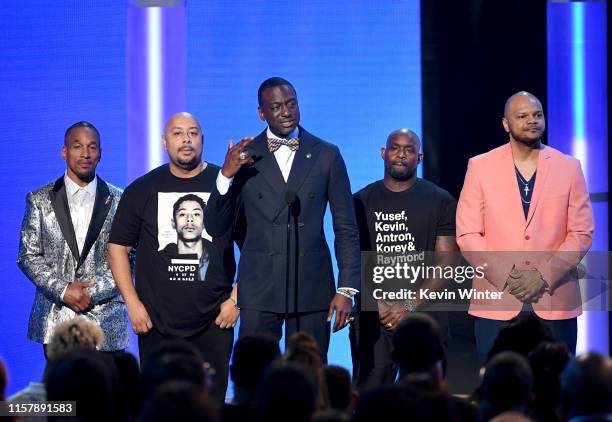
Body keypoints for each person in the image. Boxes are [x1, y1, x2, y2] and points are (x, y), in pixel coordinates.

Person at [205, 77, 360, 357]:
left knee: (309, 377)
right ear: (261, 113)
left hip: (311, 286)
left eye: (291, 104)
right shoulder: (245, 157)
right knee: (256, 376)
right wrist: (225, 176)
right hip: (258, 287)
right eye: (276, 107)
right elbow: (216, 227)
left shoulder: (326, 154)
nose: (286, 112)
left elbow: (345, 227)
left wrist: (347, 288)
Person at [108, 112, 238, 403]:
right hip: (156, 323)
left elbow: (255, 245)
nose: (186, 140)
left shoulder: (227, 185)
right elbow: (118, 247)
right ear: (165, 142)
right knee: (160, 406)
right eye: (178, 134)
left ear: (202, 139)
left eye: (193, 133)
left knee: (211, 407)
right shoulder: (141, 189)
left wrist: (236, 299)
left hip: (215, 322)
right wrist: (132, 303)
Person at [456, 91, 594, 362]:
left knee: (555, 388)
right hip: (497, 298)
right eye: (522, 116)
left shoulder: (569, 167)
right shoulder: (480, 166)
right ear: (506, 124)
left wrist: (542, 275)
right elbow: (468, 234)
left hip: (555, 299)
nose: (532, 121)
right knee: (499, 386)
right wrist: (508, 276)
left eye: (537, 115)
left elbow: (581, 232)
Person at [350, 128, 457, 390]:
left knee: (426, 400)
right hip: (373, 317)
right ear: (383, 153)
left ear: (419, 158)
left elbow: (447, 262)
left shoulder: (440, 201)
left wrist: (407, 305)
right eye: (395, 148)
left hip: (425, 317)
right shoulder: (359, 201)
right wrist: (375, 303)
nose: (401, 155)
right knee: (371, 397)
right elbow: (349, 258)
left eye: (409, 150)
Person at [17, 121, 128, 356]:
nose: (85, 154)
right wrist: (64, 289)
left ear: (101, 154)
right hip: (56, 319)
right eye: (77, 146)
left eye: (92, 147)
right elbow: (28, 255)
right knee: (64, 392)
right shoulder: (39, 199)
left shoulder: (121, 200)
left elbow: (131, 255)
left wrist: (92, 292)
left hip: (106, 317)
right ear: (64, 152)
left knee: (104, 393)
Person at [162, 194, 211, 281]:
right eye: (182, 214)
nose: (189, 219)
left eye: (196, 214)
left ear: (205, 223)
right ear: (173, 223)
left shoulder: (215, 258)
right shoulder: (160, 259)